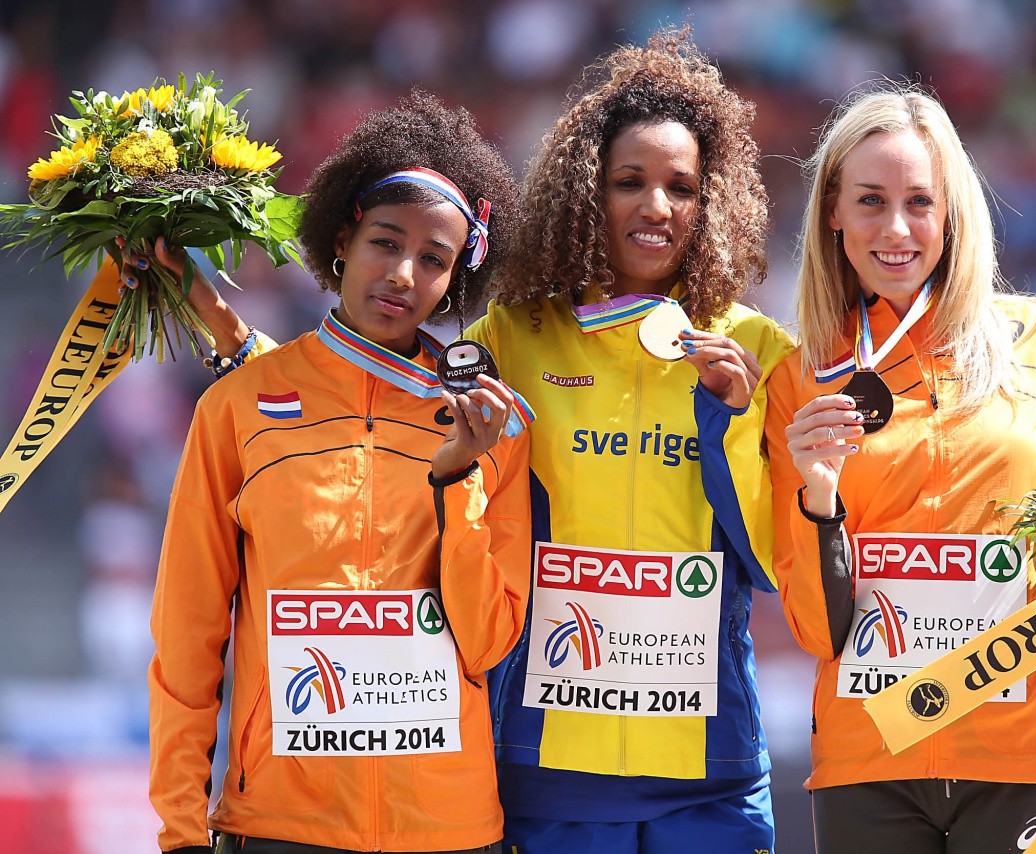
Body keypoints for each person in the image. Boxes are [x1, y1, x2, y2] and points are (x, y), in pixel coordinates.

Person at [146, 90, 531, 853]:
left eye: (434, 259)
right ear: (344, 239)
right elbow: (187, 636)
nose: (403, 274)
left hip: (449, 829)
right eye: (386, 242)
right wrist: (182, 830)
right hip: (280, 824)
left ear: (455, 279)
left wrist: (458, 480)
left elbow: (490, 642)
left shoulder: (495, 425)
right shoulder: (239, 404)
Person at [469, 29, 793, 854]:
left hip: (709, 764)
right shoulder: (511, 337)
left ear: (710, 203)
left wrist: (727, 420)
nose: (656, 207)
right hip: (551, 757)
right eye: (629, 183)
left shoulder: (755, 348)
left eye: (681, 187)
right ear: (587, 192)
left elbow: (773, 557)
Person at [764, 84, 1036, 854]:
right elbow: (816, 627)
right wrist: (819, 496)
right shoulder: (798, 378)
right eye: (870, 201)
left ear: (952, 214)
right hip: (869, 759)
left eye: (920, 202)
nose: (896, 228)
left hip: (1026, 754)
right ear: (832, 212)